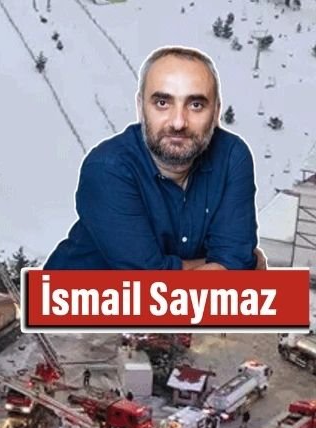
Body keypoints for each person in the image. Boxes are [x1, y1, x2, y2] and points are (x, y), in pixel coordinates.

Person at [43, 46, 264, 271]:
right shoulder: (107, 168)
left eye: (196, 105)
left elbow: (234, 262)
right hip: (78, 300)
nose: (178, 123)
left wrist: (233, 265)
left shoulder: (232, 157)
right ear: (140, 107)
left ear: (216, 112)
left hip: (188, 306)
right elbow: (150, 280)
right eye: (162, 103)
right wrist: (219, 266)